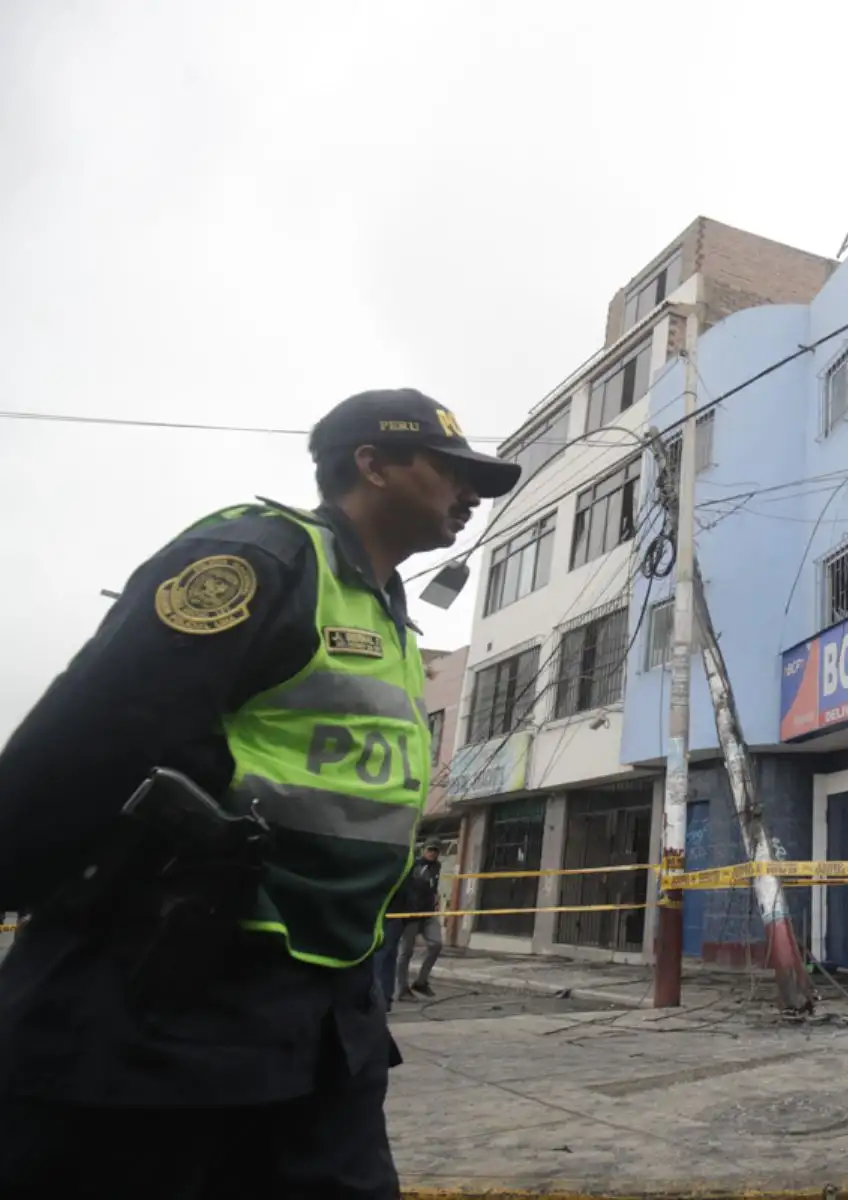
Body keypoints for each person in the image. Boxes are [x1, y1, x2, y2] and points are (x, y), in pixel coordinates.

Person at [0, 389, 519, 1199]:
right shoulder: (262, 558)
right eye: (449, 469)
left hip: (325, 1019)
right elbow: (90, 738)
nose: (468, 497)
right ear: (371, 464)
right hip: (170, 1002)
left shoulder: (389, 617)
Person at [393, 840, 445, 1001]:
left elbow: (433, 885)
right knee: (405, 952)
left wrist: (436, 898)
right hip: (410, 915)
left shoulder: (437, 866)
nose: (433, 853)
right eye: (430, 849)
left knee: (436, 944)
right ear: (423, 850)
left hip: (428, 914)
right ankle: (402, 989)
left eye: (436, 850)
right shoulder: (412, 865)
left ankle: (421, 982)